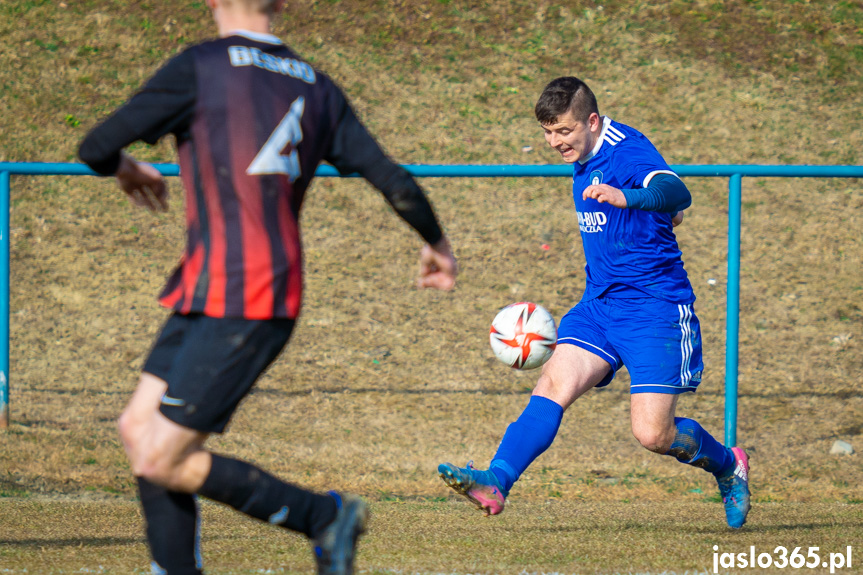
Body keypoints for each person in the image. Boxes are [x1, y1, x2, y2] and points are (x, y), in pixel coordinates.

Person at [78, 0, 458, 573]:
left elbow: (96, 147)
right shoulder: (317, 87)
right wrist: (436, 243)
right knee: (139, 430)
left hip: (245, 296)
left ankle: (321, 517)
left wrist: (128, 167)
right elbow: (391, 178)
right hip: (219, 289)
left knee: (162, 455)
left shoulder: (202, 67)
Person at [438, 76, 750, 530]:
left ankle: (728, 465)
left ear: (592, 120)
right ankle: (496, 481)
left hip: (654, 308)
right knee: (551, 387)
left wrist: (631, 196)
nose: (554, 142)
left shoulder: (626, 149)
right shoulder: (583, 153)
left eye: (563, 131)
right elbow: (667, 211)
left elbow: (678, 193)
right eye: (547, 132)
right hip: (600, 305)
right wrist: (654, 210)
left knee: (653, 434)